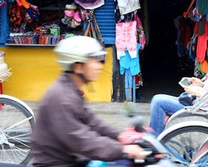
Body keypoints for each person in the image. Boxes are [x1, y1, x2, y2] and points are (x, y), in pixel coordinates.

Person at [31, 36, 147, 167]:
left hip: (75, 159)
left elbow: (93, 123)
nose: (99, 66)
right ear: (78, 67)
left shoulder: (71, 90)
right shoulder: (61, 98)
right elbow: (82, 140)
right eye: (93, 60)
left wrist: (121, 136)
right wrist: (123, 149)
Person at [149, 26, 208, 136]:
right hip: (201, 105)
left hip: (206, 111)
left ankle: (154, 144)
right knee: (159, 100)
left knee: (158, 102)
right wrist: (201, 84)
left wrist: (195, 91)